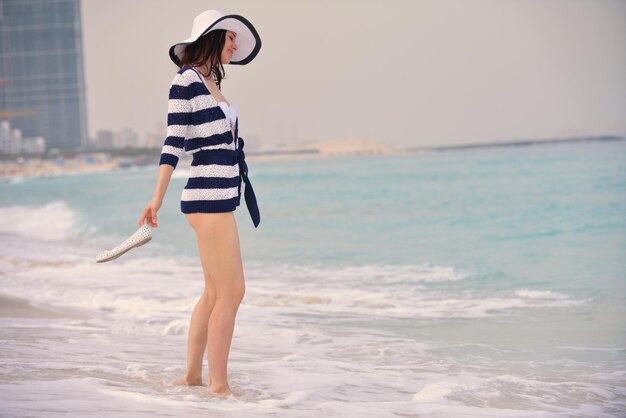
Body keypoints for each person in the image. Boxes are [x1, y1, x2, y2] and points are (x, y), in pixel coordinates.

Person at [138, 9, 262, 397]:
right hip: (206, 196)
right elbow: (173, 142)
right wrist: (156, 197)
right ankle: (219, 386)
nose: (236, 46)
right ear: (212, 37)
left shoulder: (209, 82)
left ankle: (193, 376)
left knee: (214, 293)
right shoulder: (186, 81)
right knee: (232, 292)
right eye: (230, 39)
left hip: (220, 196)